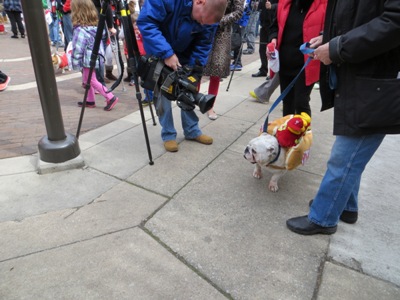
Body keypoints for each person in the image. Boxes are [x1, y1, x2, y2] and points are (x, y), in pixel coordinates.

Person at [286, 0, 400, 235]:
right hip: (359, 78)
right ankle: (347, 206)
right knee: (351, 150)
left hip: (376, 84)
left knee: (344, 157)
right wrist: (327, 38)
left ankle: (323, 218)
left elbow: (392, 23)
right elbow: (355, 18)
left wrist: (337, 47)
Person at [137, 0, 227, 152]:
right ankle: (168, 134)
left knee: (188, 89)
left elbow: (204, 43)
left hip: (185, 54)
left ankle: (192, 130)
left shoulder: (208, 17)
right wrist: (167, 53)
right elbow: (146, 22)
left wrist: (195, 69)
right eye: (201, 19)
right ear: (200, 2)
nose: (201, 23)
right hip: (159, 51)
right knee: (163, 95)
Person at [267, 0, 326, 117]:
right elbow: (274, 27)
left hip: (307, 64)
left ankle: (304, 133)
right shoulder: (285, 3)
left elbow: (331, 29)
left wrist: (323, 38)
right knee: (287, 103)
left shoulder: (324, 4)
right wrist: (273, 39)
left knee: (301, 103)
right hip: (285, 61)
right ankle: (287, 133)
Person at [71, 0, 119, 111]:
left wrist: (75, 63)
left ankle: (110, 97)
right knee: (87, 79)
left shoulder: (80, 30)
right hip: (94, 57)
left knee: (91, 80)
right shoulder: (95, 28)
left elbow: (77, 49)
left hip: (87, 59)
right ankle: (90, 99)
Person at [202, 0, 244, 120]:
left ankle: (209, 106)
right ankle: (193, 101)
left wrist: (218, 21)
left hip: (222, 33)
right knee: (197, 67)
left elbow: (238, 11)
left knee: (216, 70)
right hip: (203, 28)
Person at [251, 0, 277, 78]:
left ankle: (274, 72)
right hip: (264, 24)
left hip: (273, 25)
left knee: (273, 49)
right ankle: (263, 69)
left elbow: (281, 5)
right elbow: (259, 7)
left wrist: (271, 6)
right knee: (262, 48)